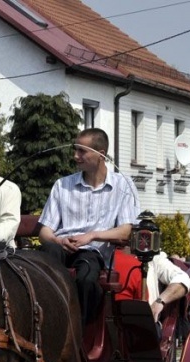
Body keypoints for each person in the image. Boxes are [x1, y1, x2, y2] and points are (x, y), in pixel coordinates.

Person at [38, 128, 140, 324]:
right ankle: (45, 323)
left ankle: (78, 329)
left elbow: (126, 230)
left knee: (86, 278)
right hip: (59, 246)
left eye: (82, 151)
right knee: (43, 266)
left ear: (101, 153)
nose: (76, 156)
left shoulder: (123, 185)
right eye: (75, 150)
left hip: (93, 252)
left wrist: (92, 236)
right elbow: (44, 231)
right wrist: (58, 239)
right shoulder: (62, 185)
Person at [112, 212, 190, 322]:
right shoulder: (101, 255)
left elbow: (182, 278)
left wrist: (160, 302)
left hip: (145, 323)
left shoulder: (153, 257)